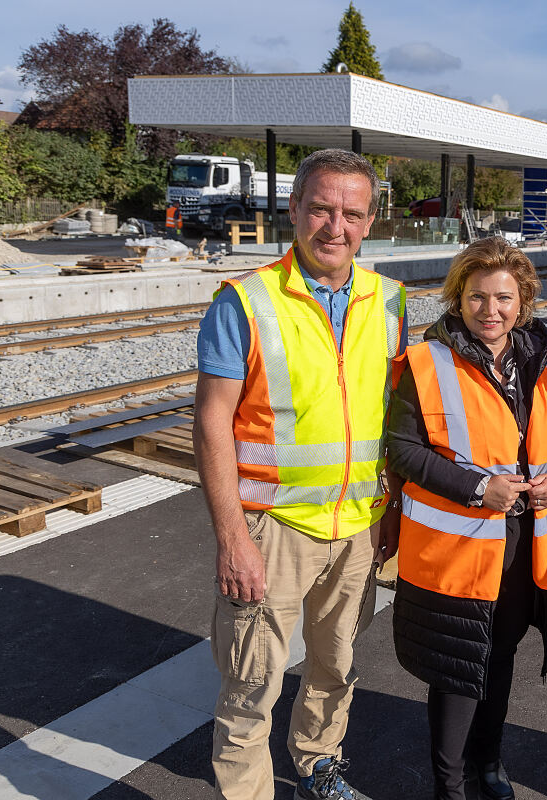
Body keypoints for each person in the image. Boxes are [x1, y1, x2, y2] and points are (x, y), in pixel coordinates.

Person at [194, 148, 407, 800]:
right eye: (320, 208)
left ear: (370, 221)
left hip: (358, 531)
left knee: (335, 667)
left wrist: (390, 511)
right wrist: (233, 538)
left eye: (350, 212)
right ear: (293, 209)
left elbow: (391, 422)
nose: (334, 226)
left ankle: (318, 762)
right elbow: (211, 424)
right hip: (272, 531)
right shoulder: (246, 303)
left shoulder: (391, 301)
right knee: (251, 683)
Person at [388, 237, 547, 800]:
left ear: (522, 300)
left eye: (503, 298)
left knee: (501, 657)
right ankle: (448, 787)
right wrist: (478, 488)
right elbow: (403, 450)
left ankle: (488, 767)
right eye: (476, 297)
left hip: (523, 543)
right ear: (458, 298)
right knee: (457, 669)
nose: (490, 311)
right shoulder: (425, 362)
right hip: (457, 550)